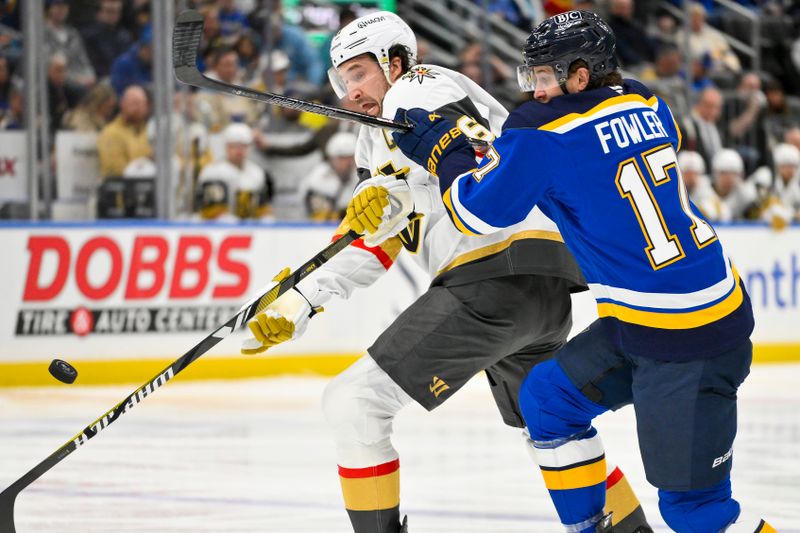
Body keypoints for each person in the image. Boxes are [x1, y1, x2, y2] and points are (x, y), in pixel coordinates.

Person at [357, 9, 774, 533]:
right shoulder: (649, 100)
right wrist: (493, 156)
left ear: (581, 75)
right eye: (531, 76)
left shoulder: (542, 132)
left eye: (546, 76)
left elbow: (474, 212)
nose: (535, 90)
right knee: (546, 400)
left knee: (695, 514)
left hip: (687, 338)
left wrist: (447, 155)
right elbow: (586, 164)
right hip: (664, 314)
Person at [240, 11, 652, 533]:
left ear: (396, 62)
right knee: (548, 430)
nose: (350, 93)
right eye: (342, 81)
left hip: (492, 275)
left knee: (354, 405)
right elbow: (380, 239)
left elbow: (476, 158)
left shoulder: (420, 84)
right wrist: (305, 298)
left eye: (359, 74)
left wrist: (394, 195)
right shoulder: (377, 138)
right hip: (537, 285)